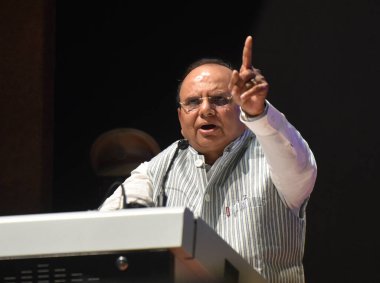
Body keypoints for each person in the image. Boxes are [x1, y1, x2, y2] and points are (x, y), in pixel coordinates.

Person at [99, 35, 317, 282]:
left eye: (219, 100)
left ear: (240, 106)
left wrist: (259, 113)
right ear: (181, 118)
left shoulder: (271, 153)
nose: (205, 110)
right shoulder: (162, 167)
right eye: (193, 102)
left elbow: (300, 166)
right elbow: (104, 227)